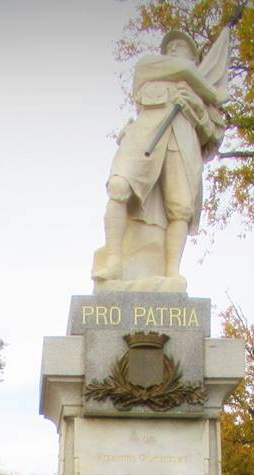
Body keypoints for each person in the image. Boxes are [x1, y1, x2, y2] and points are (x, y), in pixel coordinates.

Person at [91, 27, 231, 288]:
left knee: (180, 208)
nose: (174, 48)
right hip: (145, 135)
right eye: (170, 46)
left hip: (182, 142)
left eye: (182, 46)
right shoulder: (150, 67)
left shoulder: (198, 95)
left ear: (194, 56)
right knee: (119, 186)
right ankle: (114, 260)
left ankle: (171, 273)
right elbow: (186, 71)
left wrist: (197, 106)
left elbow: (212, 135)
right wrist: (209, 92)